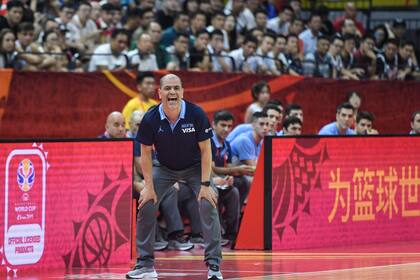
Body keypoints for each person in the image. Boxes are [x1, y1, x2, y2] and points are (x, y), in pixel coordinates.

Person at [126, 74, 223, 280]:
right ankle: (145, 265)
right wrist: (149, 186)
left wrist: (206, 184)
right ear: (159, 93)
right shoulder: (151, 118)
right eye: (168, 89)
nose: (172, 92)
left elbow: (207, 151)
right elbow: (145, 153)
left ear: (182, 92)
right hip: (165, 167)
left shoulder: (196, 114)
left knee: (208, 202)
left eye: (176, 88)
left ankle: (214, 266)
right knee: (146, 203)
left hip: (195, 167)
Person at [211, 110, 255, 245]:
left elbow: (228, 166)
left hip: (220, 179)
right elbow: (211, 168)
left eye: (229, 126)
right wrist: (235, 170)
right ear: (214, 125)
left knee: (237, 188)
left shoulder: (227, 144)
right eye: (223, 125)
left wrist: (230, 176)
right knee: (215, 190)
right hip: (206, 178)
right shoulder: (209, 142)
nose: (226, 129)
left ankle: (232, 232)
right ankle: (217, 231)